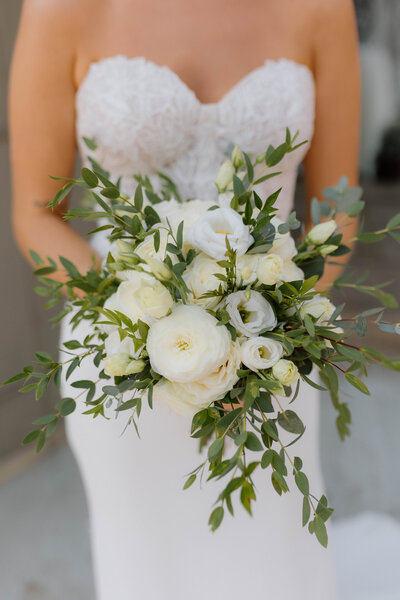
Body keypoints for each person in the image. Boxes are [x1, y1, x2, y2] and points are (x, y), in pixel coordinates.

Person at [9, 1, 360, 598]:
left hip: (271, 358)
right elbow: (38, 214)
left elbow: (336, 207)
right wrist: (139, 319)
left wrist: (271, 330)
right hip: (119, 349)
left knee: (274, 558)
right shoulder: (59, 8)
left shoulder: (322, 7)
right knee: (147, 562)